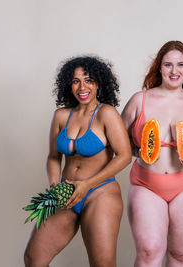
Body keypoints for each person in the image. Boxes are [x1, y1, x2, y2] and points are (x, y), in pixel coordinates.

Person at [24, 56, 132, 267]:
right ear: (69, 85)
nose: (82, 86)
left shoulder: (107, 114)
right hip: (65, 192)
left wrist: (87, 185)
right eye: (75, 81)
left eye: (88, 80)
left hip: (99, 192)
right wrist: (56, 187)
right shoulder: (61, 116)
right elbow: (53, 157)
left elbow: (124, 155)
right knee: (33, 258)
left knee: (103, 264)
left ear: (99, 83)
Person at [122, 40, 183, 266]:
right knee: (149, 251)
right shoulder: (139, 100)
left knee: (180, 255)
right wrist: (138, 150)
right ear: (159, 68)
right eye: (168, 65)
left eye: (180, 65)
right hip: (146, 185)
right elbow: (117, 140)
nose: (174, 71)